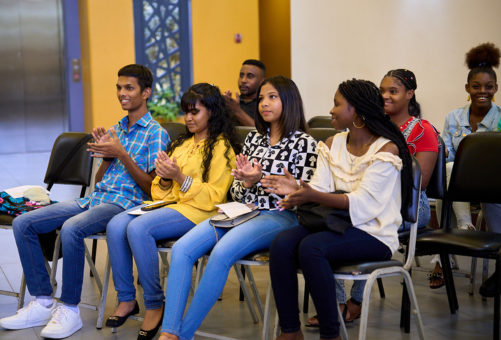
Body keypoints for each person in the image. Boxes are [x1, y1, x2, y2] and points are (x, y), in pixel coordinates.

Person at [0, 64, 169, 338]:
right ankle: (43, 301)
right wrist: (107, 157)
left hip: (124, 204)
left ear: (146, 92)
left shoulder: (156, 134)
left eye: (129, 88)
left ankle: (70, 309)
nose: (122, 93)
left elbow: (152, 189)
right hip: (96, 199)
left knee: (72, 229)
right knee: (24, 223)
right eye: (118, 87)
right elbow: (100, 180)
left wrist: (122, 154)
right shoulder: (117, 129)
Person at [157, 75, 318, 340]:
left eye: (272, 97)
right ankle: (169, 331)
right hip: (243, 210)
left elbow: (301, 195)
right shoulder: (255, 139)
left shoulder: (304, 143)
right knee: (183, 249)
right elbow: (234, 190)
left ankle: (181, 336)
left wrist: (259, 180)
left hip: (280, 215)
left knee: (221, 253)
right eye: (262, 98)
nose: (264, 103)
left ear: (288, 101)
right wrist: (245, 183)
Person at [264, 79, 414, 340]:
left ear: (354, 111)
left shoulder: (386, 149)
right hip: (337, 223)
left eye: (336, 104)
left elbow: (364, 205)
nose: (331, 110)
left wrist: (311, 193)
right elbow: (320, 188)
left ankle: (331, 334)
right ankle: (290, 331)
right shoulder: (332, 143)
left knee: (312, 248)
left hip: (373, 232)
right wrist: (299, 188)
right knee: (282, 243)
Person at [105, 83, 241, 340]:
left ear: (211, 112)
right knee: (115, 224)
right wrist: (166, 179)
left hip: (201, 212)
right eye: (186, 112)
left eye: (195, 112)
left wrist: (178, 176)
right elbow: (158, 191)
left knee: (138, 228)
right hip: (172, 206)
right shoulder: (182, 144)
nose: (188, 118)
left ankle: (155, 304)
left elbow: (214, 198)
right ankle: (126, 298)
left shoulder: (222, 148)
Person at [433, 42, 501, 295]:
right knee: (450, 172)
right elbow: (448, 160)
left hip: (493, 185)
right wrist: (441, 152)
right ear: (467, 88)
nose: (482, 91)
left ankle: (448, 258)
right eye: (476, 87)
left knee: (490, 199)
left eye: (488, 87)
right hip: (460, 184)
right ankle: (465, 228)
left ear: (496, 88)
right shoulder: (453, 118)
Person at [223, 59, 266, 127]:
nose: (243, 80)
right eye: (241, 75)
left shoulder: (265, 104)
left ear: (262, 81)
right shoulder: (234, 103)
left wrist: (237, 111)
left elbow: (262, 131)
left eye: (250, 76)